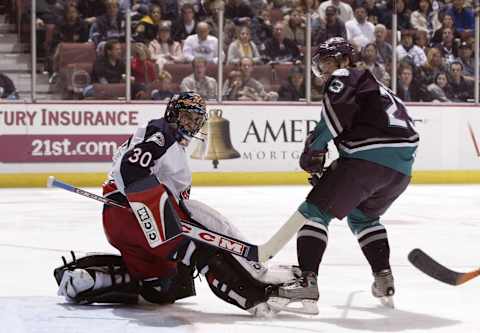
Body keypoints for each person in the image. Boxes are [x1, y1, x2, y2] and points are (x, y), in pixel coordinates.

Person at [54, 92, 296, 316]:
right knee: (204, 246)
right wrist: (146, 206)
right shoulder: (162, 136)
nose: (190, 125)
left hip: (119, 222)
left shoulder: (160, 138)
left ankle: (88, 279)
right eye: (186, 117)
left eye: (195, 120)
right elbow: (131, 168)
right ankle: (255, 295)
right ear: (172, 113)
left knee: (163, 288)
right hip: (139, 215)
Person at [270, 37, 419, 314]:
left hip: (367, 161)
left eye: (327, 63)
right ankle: (384, 278)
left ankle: (306, 282)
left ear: (343, 60)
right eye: (322, 66)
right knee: (363, 217)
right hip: (400, 171)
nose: (325, 71)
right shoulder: (382, 88)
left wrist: (314, 148)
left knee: (314, 213)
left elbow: (332, 118)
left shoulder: (344, 75)